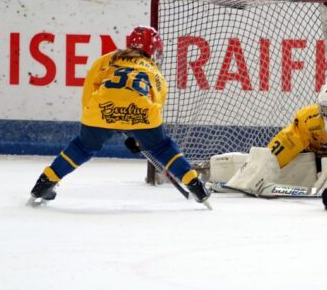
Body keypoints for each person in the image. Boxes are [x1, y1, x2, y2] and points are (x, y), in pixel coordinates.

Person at [27, 25, 211, 208]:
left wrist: (93, 116)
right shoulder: (154, 70)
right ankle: (193, 183)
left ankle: (46, 182)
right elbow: (157, 102)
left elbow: (90, 87)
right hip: (141, 114)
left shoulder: (107, 59)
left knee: (82, 147)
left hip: (100, 109)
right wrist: (138, 136)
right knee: (162, 148)